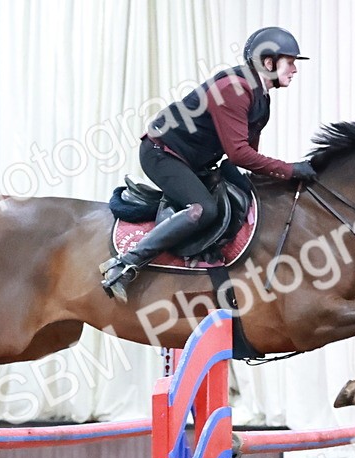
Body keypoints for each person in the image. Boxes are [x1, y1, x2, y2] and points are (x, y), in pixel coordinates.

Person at [100, 27, 318, 302]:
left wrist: (284, 177)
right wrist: (289, 169)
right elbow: (239, 154)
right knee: (202, 209)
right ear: (268, 62)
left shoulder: (261, 98)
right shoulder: (235, 89)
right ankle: (125, 265)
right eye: (291, 62)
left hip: (194, 160)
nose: (295, 69)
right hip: (162, 153)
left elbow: (248, 154)